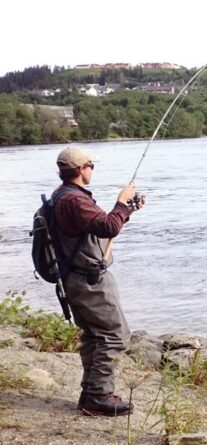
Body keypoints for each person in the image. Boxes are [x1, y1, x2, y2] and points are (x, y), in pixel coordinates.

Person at [52, 146, 144, 416]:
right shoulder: (74, 200)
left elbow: (103, 224)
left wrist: (127, 211)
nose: (93, 169)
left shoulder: (64, 196)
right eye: (91, 166)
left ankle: (90, 394)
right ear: (80, 169)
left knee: (94, 336)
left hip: (77, 278)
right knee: (114, 335)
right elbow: (107, 227)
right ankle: (99, 396)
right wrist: (120, 201)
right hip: (88, 281)